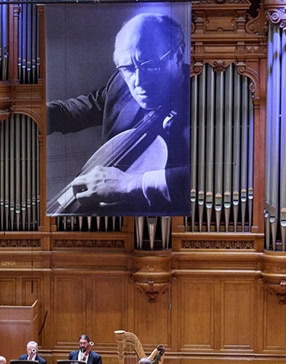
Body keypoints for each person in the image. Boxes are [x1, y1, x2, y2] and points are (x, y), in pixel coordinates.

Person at [46, 13, 189, 215]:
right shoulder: (120, 84)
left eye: (150, 65)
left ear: (178, 55)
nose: (138, 81)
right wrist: (33, 115)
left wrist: (131, 184)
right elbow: (72, 110)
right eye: (128, 68)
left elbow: (217, 175)